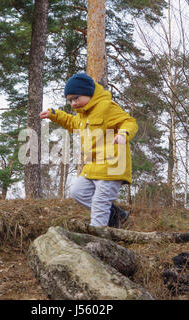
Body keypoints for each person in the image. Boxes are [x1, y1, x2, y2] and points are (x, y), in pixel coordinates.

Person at [39, 73, 138, 228]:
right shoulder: (82, 115)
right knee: (78, 192)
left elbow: (129, 121)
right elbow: (71, 122)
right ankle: (117, 215)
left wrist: (124, 134)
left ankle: (98, 237)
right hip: (93, 165)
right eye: (69, 100)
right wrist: (54, 114)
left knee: (100, 202)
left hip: (112, 165)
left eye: (76, 98)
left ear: (88, 93)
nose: (73, 103)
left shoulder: (107, 107)